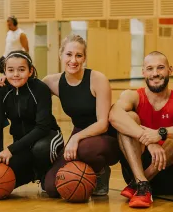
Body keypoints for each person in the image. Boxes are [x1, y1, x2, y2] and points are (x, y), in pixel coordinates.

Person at [109, 51, 173, 208]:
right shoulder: (132, 96)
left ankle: (141, 183)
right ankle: (142, 182)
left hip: (171, 175)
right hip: (137, 166)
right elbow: (114, 115)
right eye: (150, 68)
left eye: (160, 68)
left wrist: (161, 133)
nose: (155, 73)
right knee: (129, 117)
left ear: (170, 70)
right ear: (143, 72)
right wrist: (149, 140)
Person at [41, 34, 120, 197]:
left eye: (79, 55)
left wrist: (75, 139)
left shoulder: (98, 79)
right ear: (60, 55)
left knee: (85, 150)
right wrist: (5, 82)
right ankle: (85, 171)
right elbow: (28, 89)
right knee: (51, 186)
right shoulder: (52, 82)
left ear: (84, 58)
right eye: (69, 54)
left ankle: (101, 171)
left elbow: (102, 123)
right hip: (80, 134)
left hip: (105, 136)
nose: (73, 60)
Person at [0, 50, 63, 190]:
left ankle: (50, 168)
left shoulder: (40, 89)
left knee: (41, 152)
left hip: (47, 138)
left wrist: (11, 149)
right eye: (10, 70)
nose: (15, 74)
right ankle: (34, 172)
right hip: (22, 144)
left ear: (30, 71)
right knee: (0, 178)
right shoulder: (2, 90)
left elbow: (42, 127)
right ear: (5, 72)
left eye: (21, 70)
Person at [0, 16, 29, 94]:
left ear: (14, 24)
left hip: (14, 58)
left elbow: (26, 49)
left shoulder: (21, 34)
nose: (8, 26)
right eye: (7, 24)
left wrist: (21, 59)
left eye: (9, 24)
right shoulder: (9, 33)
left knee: (9, 74)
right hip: (5, 56)